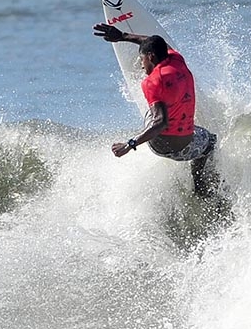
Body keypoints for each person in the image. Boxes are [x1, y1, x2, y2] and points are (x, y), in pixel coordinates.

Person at [93, 23, 218, 198]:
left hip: (162, 146)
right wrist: (123, 36)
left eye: (142, 58)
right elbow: (157, 42)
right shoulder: (177, 59)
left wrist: (129, 145)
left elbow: (160, 122)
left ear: (151, 56)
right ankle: (199, 187)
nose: (141, 64)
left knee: (153, 112)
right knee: (210, 142)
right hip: (184, 142)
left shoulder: (151, 82)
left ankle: (155, 111)